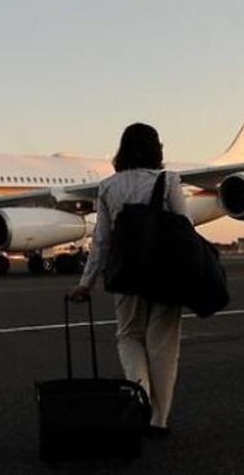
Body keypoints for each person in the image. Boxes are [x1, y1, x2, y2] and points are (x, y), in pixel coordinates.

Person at [69, 123, 190, 438]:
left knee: (128, 336)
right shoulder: (169, 181)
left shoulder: (109, 186)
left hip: (126, 273)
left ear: (122, 150)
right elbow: (185, 229)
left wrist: (87, 281)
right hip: (165, 274)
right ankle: (159, 421)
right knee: (163, 346)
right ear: (157, 149)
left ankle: (140, 395)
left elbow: (102, 240)